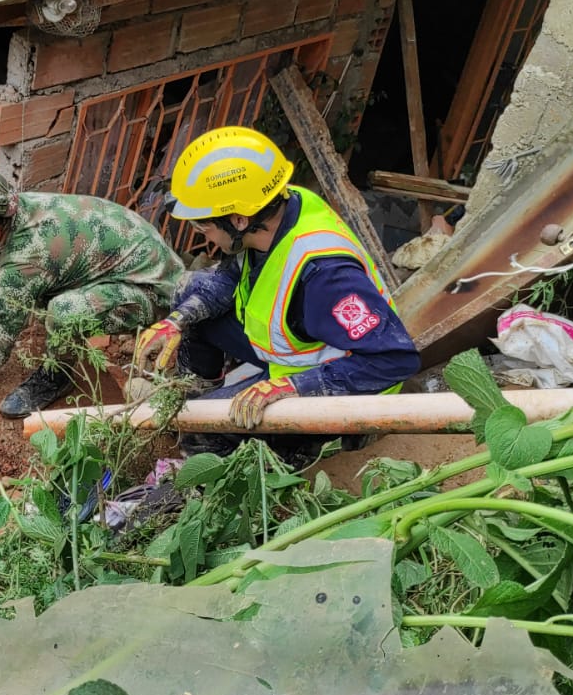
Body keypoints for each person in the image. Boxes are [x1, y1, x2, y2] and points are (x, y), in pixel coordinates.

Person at [134, 126, 419, 463]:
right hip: (293, 354)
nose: (203, 236)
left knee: (203, 424)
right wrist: (176, 322)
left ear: (238, 219)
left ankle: (276, 454)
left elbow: (396, 361)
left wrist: (294, 387)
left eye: (202, 226)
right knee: (193, 293)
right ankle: (194, 397)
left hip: (340, 383)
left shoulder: (326, 277)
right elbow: (228, 280)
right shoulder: (273, 207)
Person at [0, 169, 184, 428]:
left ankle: (57, 377)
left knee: (62, 312)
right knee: (40, 297)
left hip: (153, 291)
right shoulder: (15, 209)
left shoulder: (24, 260)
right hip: (134, 257)